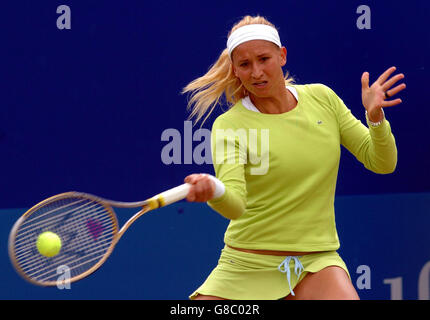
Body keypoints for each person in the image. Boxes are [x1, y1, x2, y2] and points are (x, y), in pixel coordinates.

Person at [181, 15, 405, 300]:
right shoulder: (230, 126)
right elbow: (235, 205)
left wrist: (376, 119)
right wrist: (215, 190)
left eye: (264, 59)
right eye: (245, 65)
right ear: (235, 70)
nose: (257, 72)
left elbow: (382, 163)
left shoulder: (323, 99)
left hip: (316, 262)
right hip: (247, 265)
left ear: (282, 55)